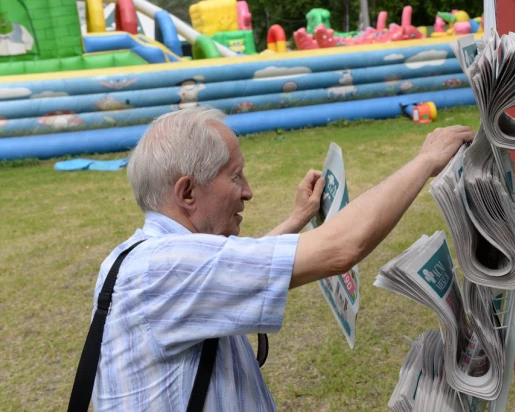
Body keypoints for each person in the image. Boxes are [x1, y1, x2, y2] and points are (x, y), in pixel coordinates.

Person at [89, 106, 474, 411]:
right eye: (236, 177)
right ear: (187, 192)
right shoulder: (168, 268)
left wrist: (296, 220)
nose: (248, 192)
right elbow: (342, 248)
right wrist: (425, 161)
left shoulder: (137, 260)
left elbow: (227, 269)